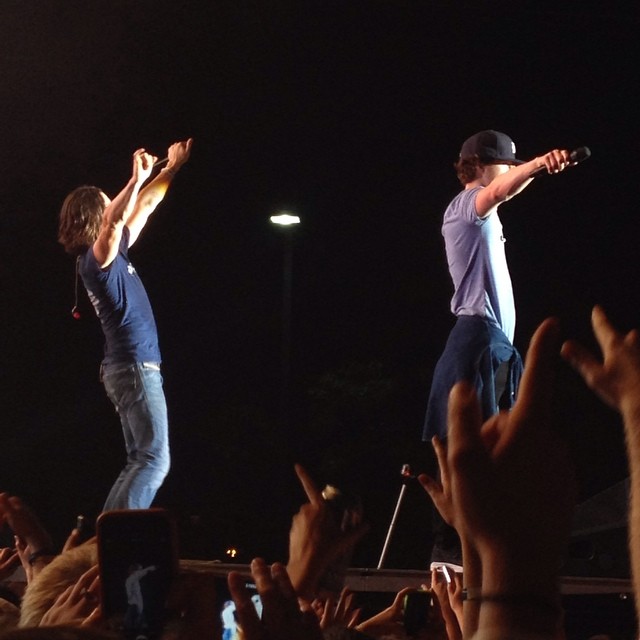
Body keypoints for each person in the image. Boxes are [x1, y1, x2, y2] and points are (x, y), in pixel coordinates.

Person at [422, 130, 572, 569]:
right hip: (477, 339)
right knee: (471, 444)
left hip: (494, 344)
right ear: (486, 167)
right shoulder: (469, 208)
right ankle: (450, 551)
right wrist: (543, 162)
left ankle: (475, 545)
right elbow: (502, 189)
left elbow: (505, 188)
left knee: (499, 446)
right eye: (508, 166)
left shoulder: (481, 212)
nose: (511, 175)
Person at [57, 139, 193, 510]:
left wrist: (171, 169)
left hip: (129, 368)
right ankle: (116, 540)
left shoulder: (115, 254)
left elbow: (146, 205)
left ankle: (106, 538)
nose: (118, 205)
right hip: (134, 368)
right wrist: (135, 178)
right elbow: (115, 219)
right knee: (155, 460)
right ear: (96, 217)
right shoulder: (96, 259)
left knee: (141, 461)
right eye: (108, 202)